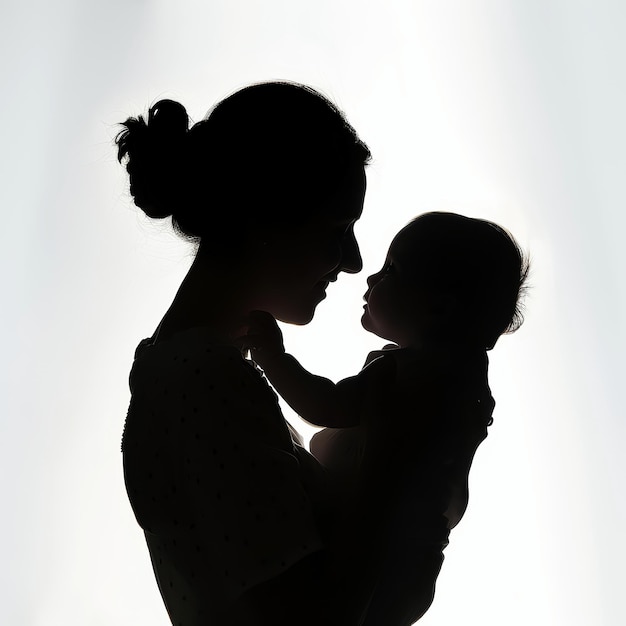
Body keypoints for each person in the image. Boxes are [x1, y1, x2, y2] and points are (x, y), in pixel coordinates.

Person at [117, 81, 450, 626]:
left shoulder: (196, 370)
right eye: (338, 228)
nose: (352, 260)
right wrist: (392, 457)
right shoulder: (201, 378)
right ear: (265, 218)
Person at [243, 212, 529, 624]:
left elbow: (323, 404)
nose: (371, 278)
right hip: (413, 574)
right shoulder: (467, 389)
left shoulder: (410, 373)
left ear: (439, 306)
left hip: (361, 557)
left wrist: (272, 356)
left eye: (391, 269)